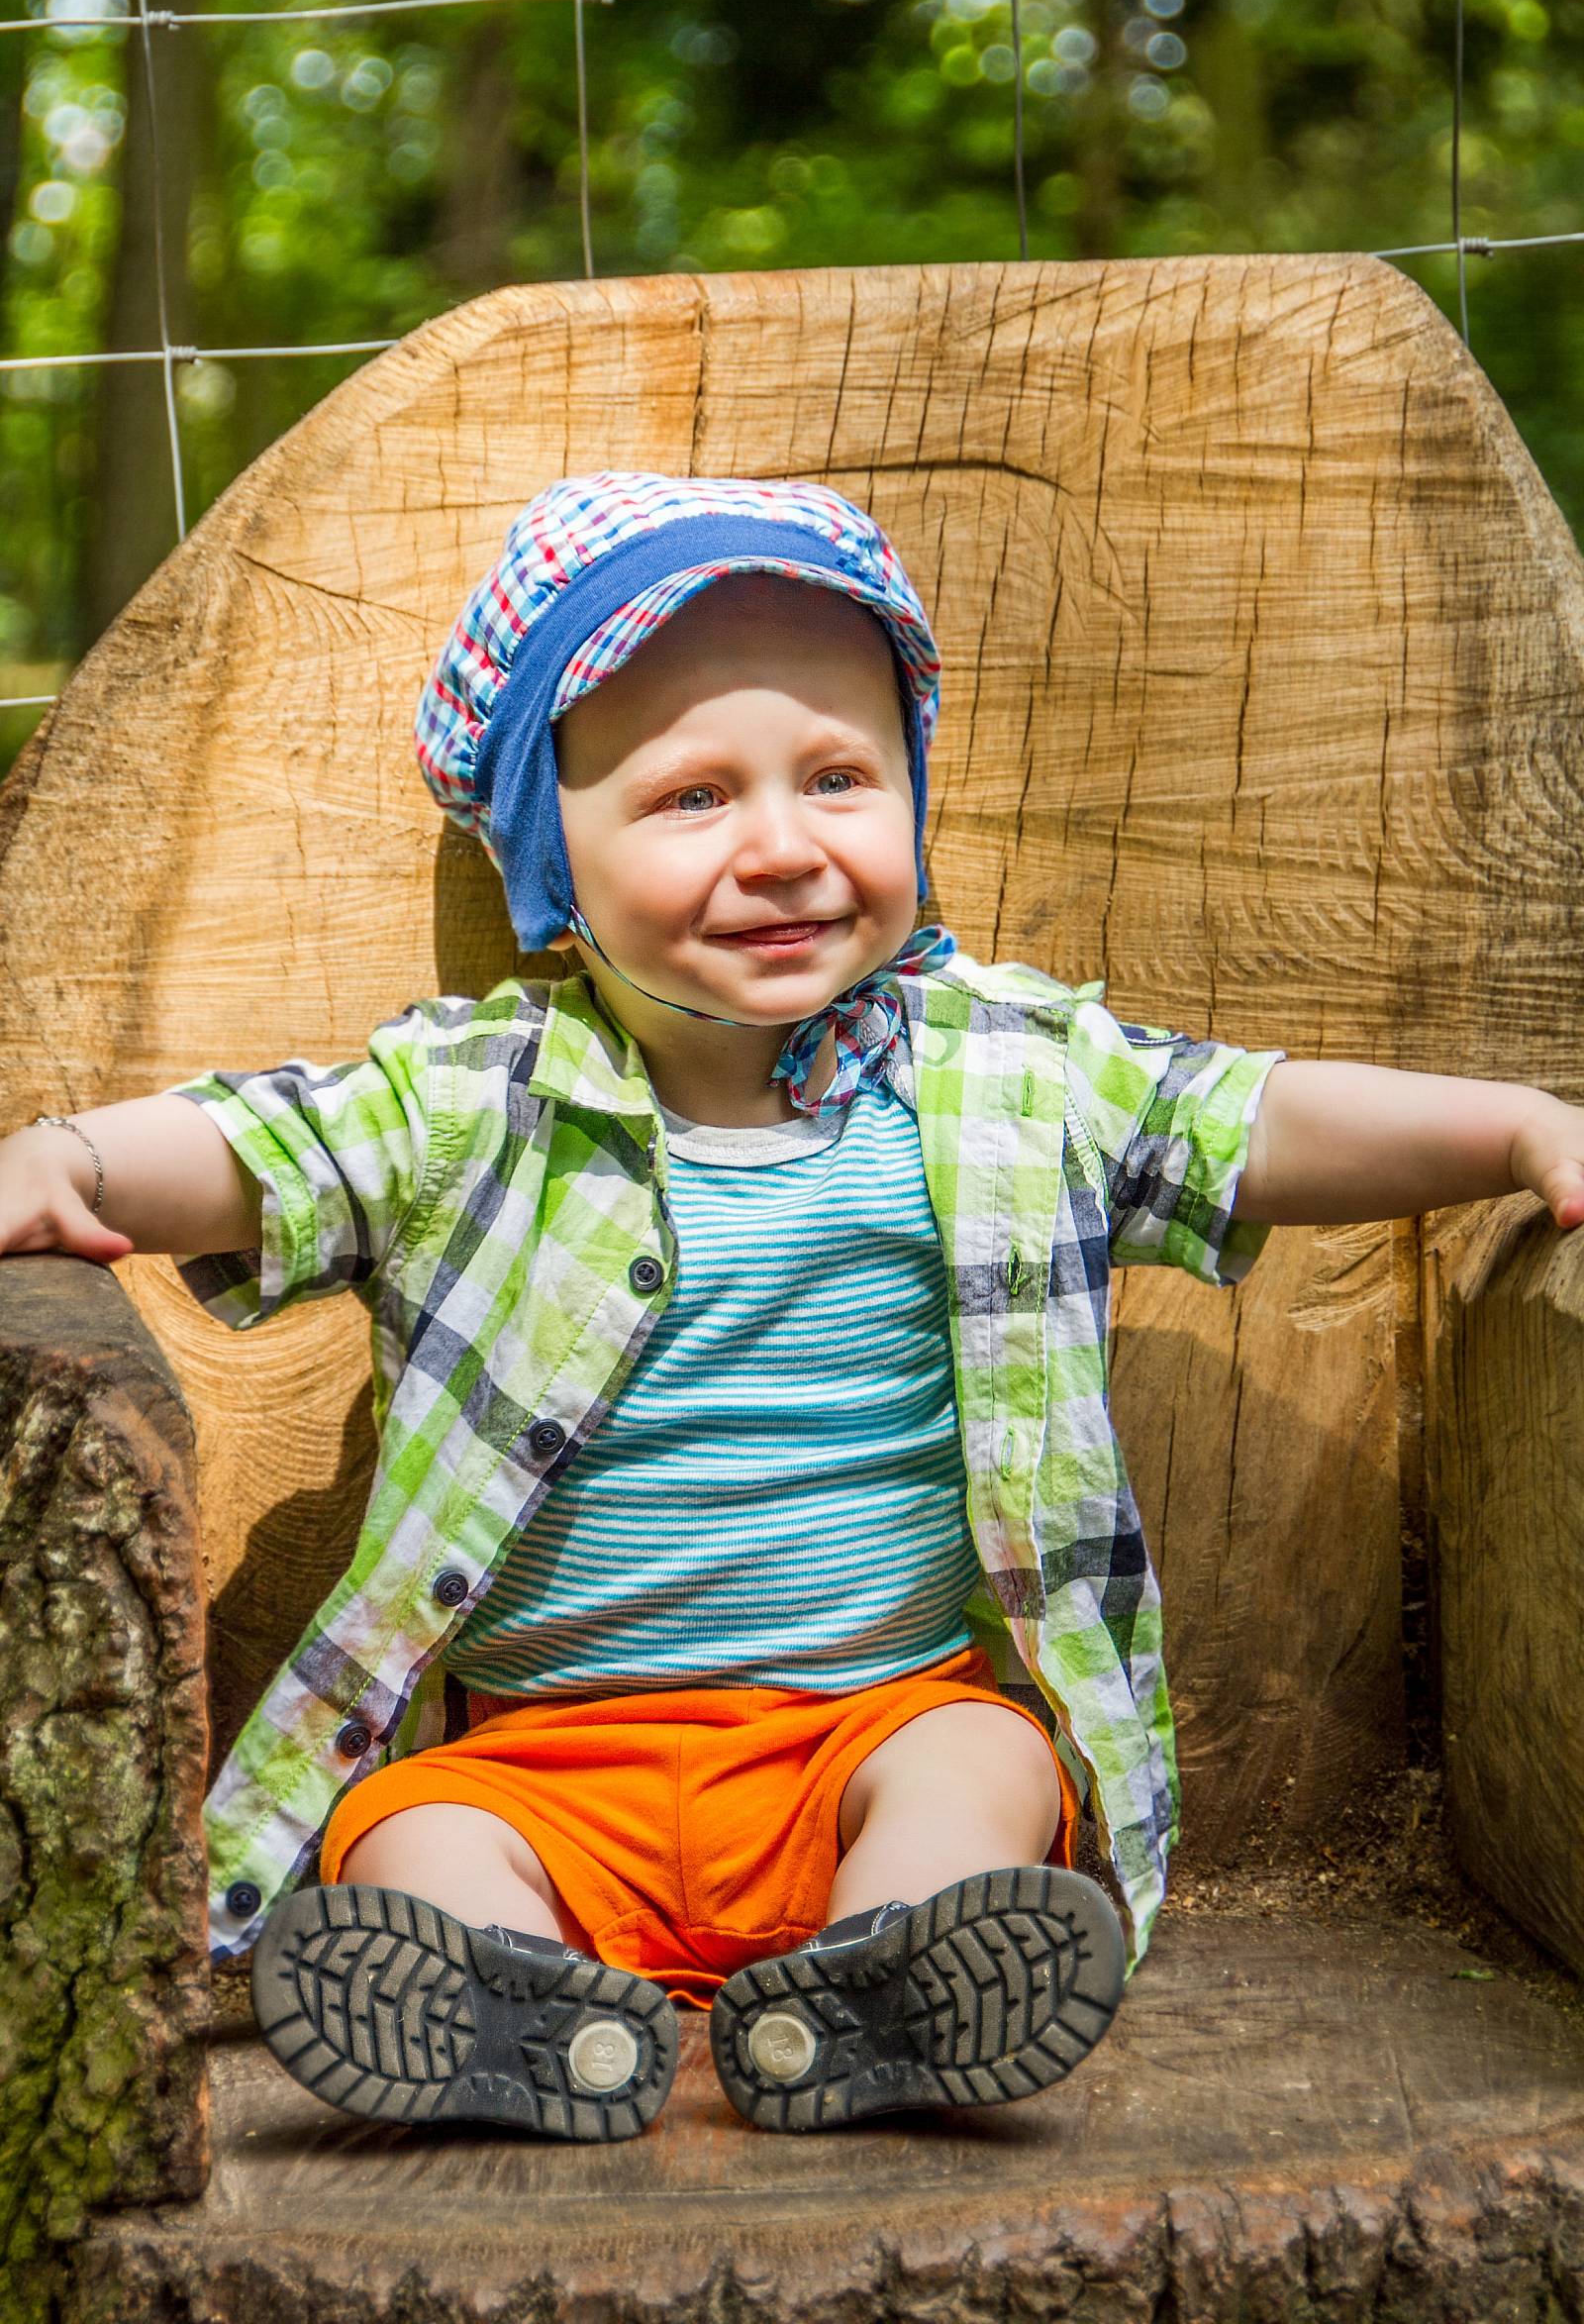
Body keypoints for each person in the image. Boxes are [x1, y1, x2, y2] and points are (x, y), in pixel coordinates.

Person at [4, 473, 1582, 2146]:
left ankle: (876, 1983)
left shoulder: (1009, 1071)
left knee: (996, 1773)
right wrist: (68, 1157)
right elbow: (256, 1145)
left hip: (875, 1732)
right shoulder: (478, 1099)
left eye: (840, 777)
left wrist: (1514, 1125)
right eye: (693, 799)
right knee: (407, 1839)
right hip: (551, 1761)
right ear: (552, 859)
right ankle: (529, 2014)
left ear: (910, 794)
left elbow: (1251, 1121)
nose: (782, 847)